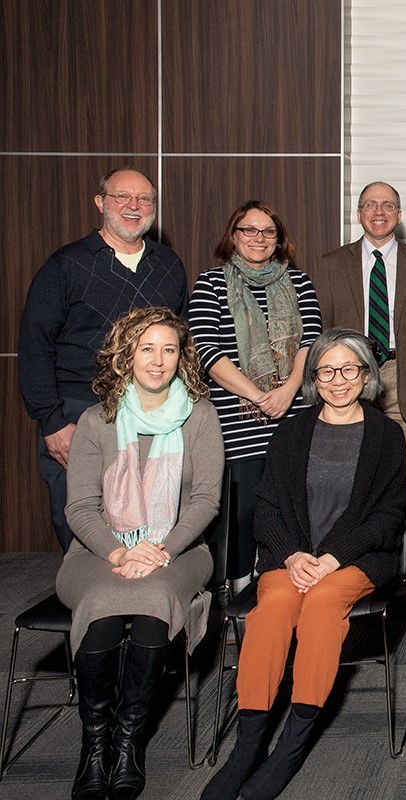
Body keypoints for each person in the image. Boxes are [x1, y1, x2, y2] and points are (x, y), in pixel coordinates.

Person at [201, 329, 406, 800]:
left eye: (349, 368)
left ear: (367, 374)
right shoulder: (293, 430)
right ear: (314, 377)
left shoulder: (386, 435)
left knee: (320, 607)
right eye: (327, 370)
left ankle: (290, 749)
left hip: (354, 559)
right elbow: (269, 504)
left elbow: (388, 515)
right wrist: (294, 554)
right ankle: (247, 750)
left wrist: (332, 556)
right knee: (271, 608)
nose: (339, 380)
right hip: (290, 556)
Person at [61, 307, 222, 800]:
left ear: (181, 357)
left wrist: (159, 550)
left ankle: (130, 742)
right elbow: (80, 507)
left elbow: (205, 502)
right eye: (146, 348)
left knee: (153, 604)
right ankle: (95, 744)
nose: (158, 360)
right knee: (103, 612)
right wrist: (117, 554)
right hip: (97, 550)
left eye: (169, 349)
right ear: (125, 355)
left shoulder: (201, 415)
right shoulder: (96, 420)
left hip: (180, 549)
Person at [19, 167, 189, 552]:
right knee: (80, 515)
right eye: (122, 197)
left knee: (148, 515)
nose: (134, 206)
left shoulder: (168, 264)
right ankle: (93, 604)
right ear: (100, 203)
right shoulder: (67, 265)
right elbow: (35, 343)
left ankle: (144, 598)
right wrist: (51, 420)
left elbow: (183, 341)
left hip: (151, 411)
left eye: (144, 199)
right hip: (79, 410)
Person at [186, 200, 322, 590]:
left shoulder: (299, 283)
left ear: (279, 240)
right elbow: (207, 351)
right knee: (243, 513)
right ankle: (240, 594)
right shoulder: (211, 283)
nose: (259, 238)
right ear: (234, 235)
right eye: (249, 230)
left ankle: (285, 587)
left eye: (268, 232)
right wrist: (261, 396)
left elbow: (311, 342)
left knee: (292, 510)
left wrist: (288, 390)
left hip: (294, 416)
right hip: (236, 420)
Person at [310, 181, 406, 527]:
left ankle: (405, 572)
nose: (379, 212)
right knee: (351, 480)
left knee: (404, 483)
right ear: (359, 213)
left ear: (400, 215)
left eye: (388, 205)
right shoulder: (332, 263)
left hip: (402, 377)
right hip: (348, 378)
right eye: (371, 205)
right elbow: (322, 331)